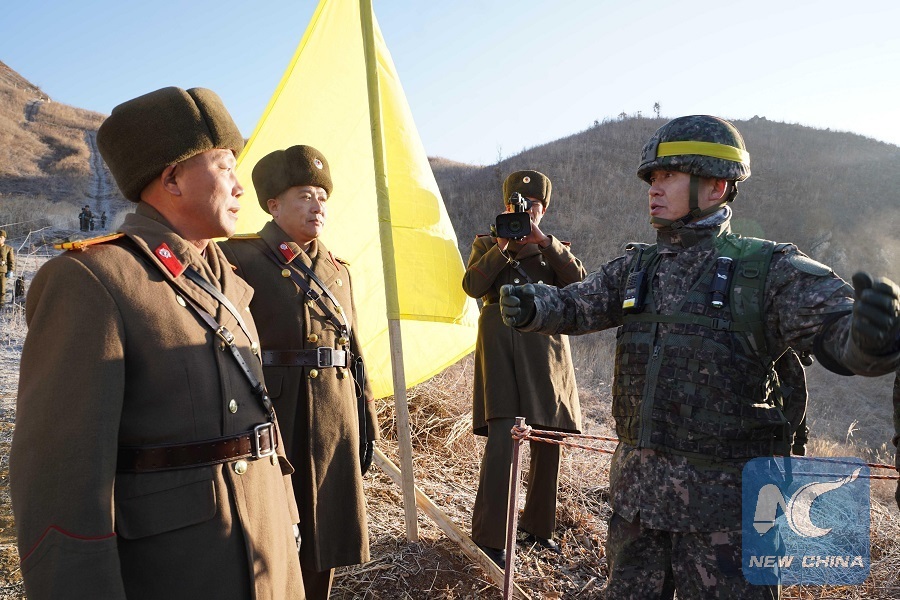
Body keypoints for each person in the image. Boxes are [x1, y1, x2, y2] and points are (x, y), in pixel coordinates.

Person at [498, 115, 900, 598]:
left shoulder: (769, 271)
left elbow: (841, 340)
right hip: (637, 509)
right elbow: (576, 305)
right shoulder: (636, 267)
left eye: (668, 175)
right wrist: (531, 306)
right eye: (652, 177)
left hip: (728, 521)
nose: (653, 188)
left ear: (716, 185)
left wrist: (870, 339)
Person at [10, 87, 305, 600]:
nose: (240, 187)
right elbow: (60, 481)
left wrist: (287, 518)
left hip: (266, 552)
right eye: (225, 167)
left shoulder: (228, 281)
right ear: (171, 179)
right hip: (180, 571)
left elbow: (260, 423)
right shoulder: (93, 280)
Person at [220, 145, 378, 599]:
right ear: (273, 205)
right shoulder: (239, 258)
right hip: (276, 413)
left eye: (322, 198)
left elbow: (353, 350)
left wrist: (366, 418)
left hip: (335, 417)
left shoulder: (337, 269)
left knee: (325, 534)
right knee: (271, 531)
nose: (317, 206)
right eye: (305, 196)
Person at [461, 170, 586, 568]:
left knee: (548, 439)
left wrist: (543, 242)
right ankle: (490, 537)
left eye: (533, 206)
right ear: (505, 206)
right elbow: (472, 287)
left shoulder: (553, 248)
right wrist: (501, 247)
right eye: (517, 205)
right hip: (500, 352)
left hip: (545, 353)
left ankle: (538, 529)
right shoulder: (486, 243)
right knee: (502, 440)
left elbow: (580, 284)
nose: (525, 211)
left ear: (543, 210)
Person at [0, 230, 15, 304]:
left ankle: (1, 304)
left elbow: (11, 261)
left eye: (1, 237)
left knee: (2, 290)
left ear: (4, 239)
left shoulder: (8, 248)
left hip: (2, 272)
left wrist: (11, 270)